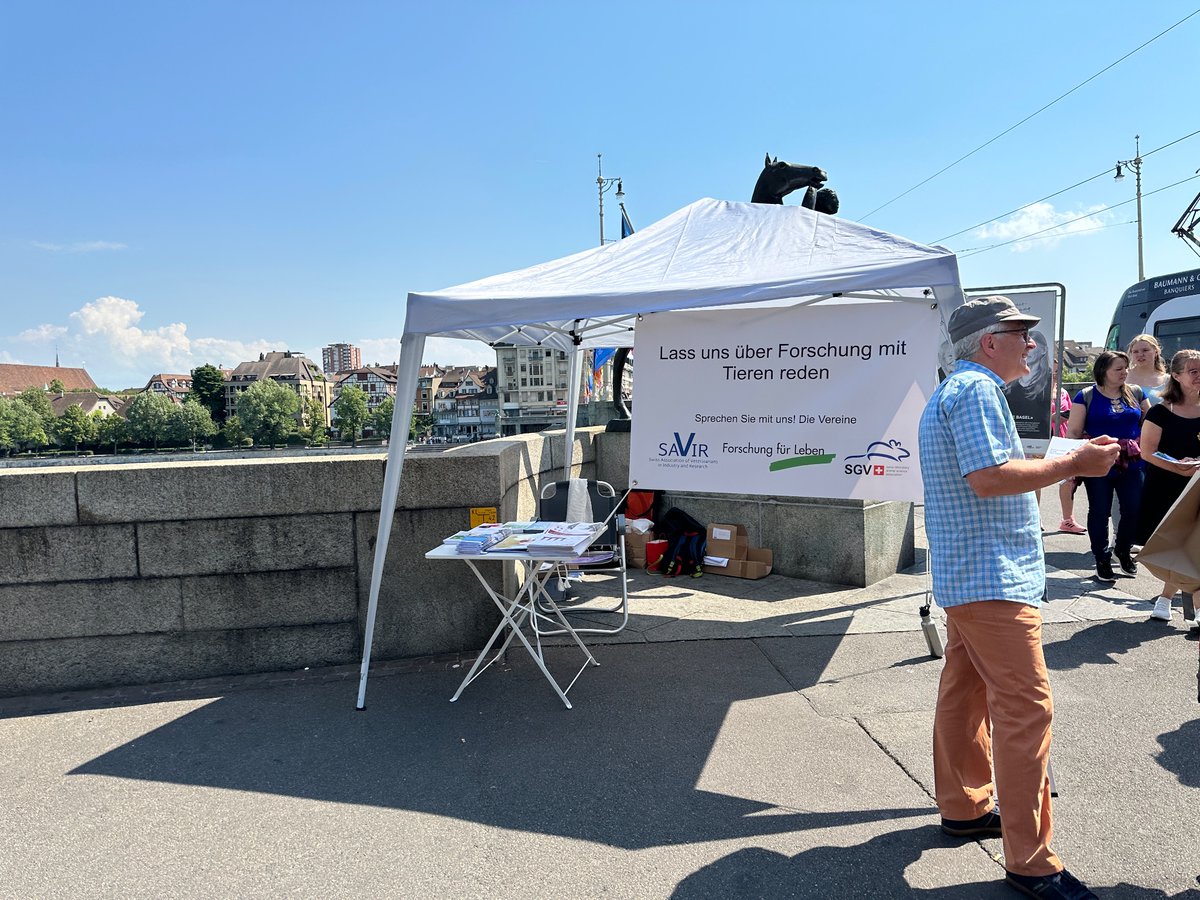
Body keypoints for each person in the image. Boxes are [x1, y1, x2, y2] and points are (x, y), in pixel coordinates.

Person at [920, 296, 1117, 900]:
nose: (1032, 343)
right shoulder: (978, 391)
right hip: (992, 577)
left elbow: (987, 470)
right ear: (989, 341)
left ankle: (964, 806)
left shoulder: (956, 390)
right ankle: (1032, 862)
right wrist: (1076, 462)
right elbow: (989, 478)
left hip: (971, 576)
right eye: (1021, 333)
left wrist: (1064, 457)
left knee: (965, 692)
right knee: (1025, 711)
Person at [1065, 350, 1149, 581]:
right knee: (1100, 510)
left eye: (1126, 367)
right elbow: (1073, 432)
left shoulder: (1135, 392)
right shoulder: (1086, 395)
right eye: (1118, 368)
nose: (1125, 372)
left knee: (1133, 508)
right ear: (1103, 371)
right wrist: (1072, 464)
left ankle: (1122, 550)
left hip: (1132, 461)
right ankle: (1101, 558)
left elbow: (1150, 422)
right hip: (1098, 461)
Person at [1136, 348, 1200, 625]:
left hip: (1198, 485)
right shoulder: (1160, 412)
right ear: (1176, 375)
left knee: (1195, 546)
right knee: (1176, 545)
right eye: (1193, 371)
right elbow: (1147, 452)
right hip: (1167, 487)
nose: (1199, 376)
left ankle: (1182, 604)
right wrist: (1178, 468)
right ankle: (1168, 599)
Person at [1051, 359, 1085, 534]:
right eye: (1052, 370)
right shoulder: (1036, 391)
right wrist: (1053, 417)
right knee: (1035, 481)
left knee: (1068, 480)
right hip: (1043, 438)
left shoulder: (1063, 392)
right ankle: (1036, 518)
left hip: (1061, 438)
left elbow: (1073, 415)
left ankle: (1068, 520)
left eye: (1058, 371)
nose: (1055, 374)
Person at [1127, 333, 1170, 405]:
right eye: (1135, 352)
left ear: (1156, 352)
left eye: (1145, 350)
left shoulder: (1167, 380)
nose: (1140, 354)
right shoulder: (1122, 376)